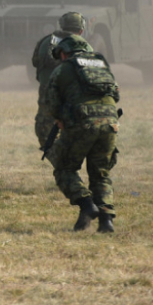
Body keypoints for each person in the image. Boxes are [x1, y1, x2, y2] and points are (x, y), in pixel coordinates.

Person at [47, 34, 121, 233]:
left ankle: (87, 205)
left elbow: (52, 103)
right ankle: (106, 221)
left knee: (64, 167)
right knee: (101, 173)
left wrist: (61, 118)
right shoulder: (102, 65)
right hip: (111, 125)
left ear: (63, 53)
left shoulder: (62, 69)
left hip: (82, 123)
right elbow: (116, 95)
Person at [30, 12, 92, 163]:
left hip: (48, 92)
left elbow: (35, 62)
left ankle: (61, 164)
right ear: (81, 30)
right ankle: (69, 164)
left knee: (44, 129)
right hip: (75, 94)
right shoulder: (85, 45)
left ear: (61, 25)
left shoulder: (46, 41)